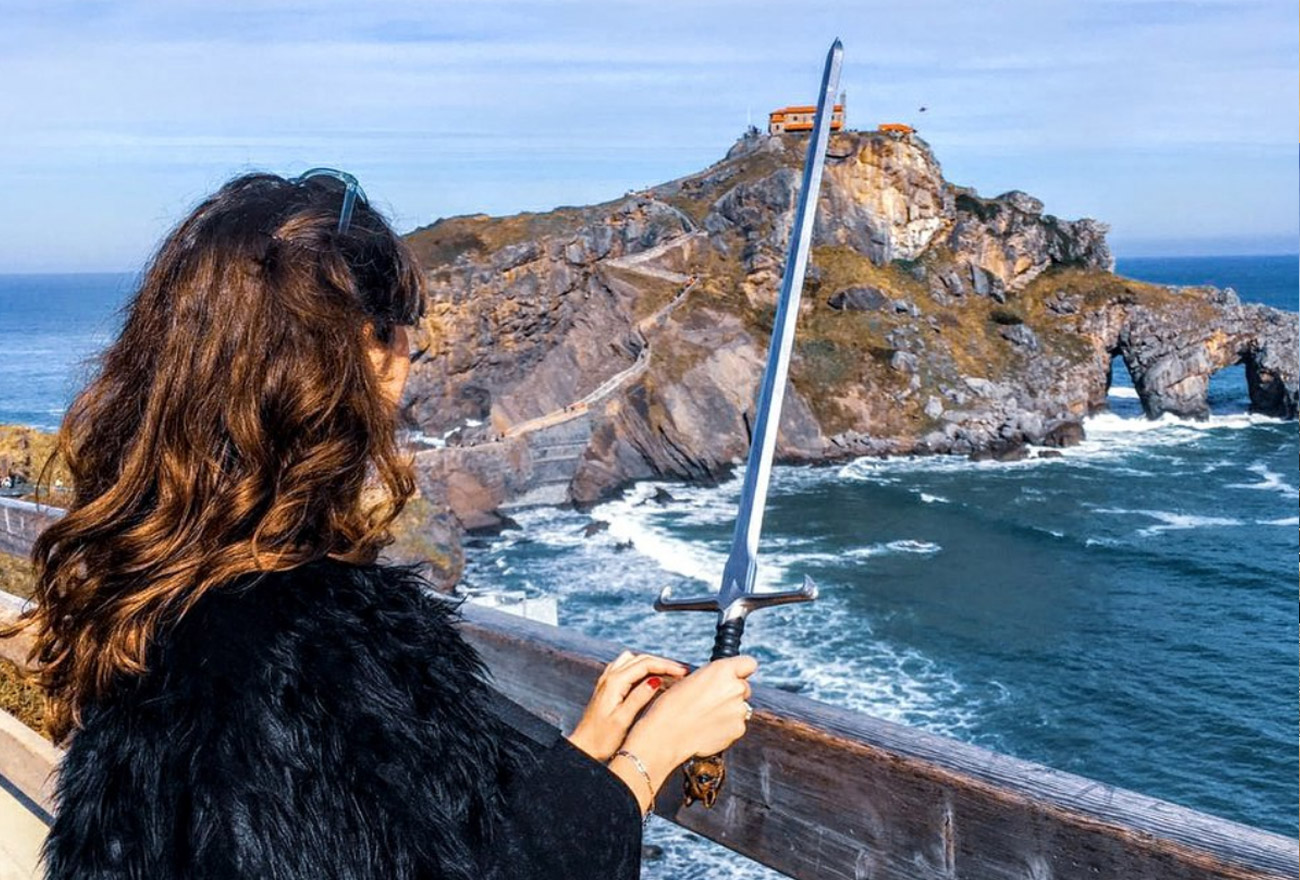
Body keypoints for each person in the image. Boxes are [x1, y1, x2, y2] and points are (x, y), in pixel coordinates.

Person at [10, 170, 757, 878]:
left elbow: (382, 832)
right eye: (398, 331)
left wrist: (586, 757)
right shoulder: (307, 645)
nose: (412, 354)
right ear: (359, 353)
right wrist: (643, 767)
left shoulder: (158, 584)